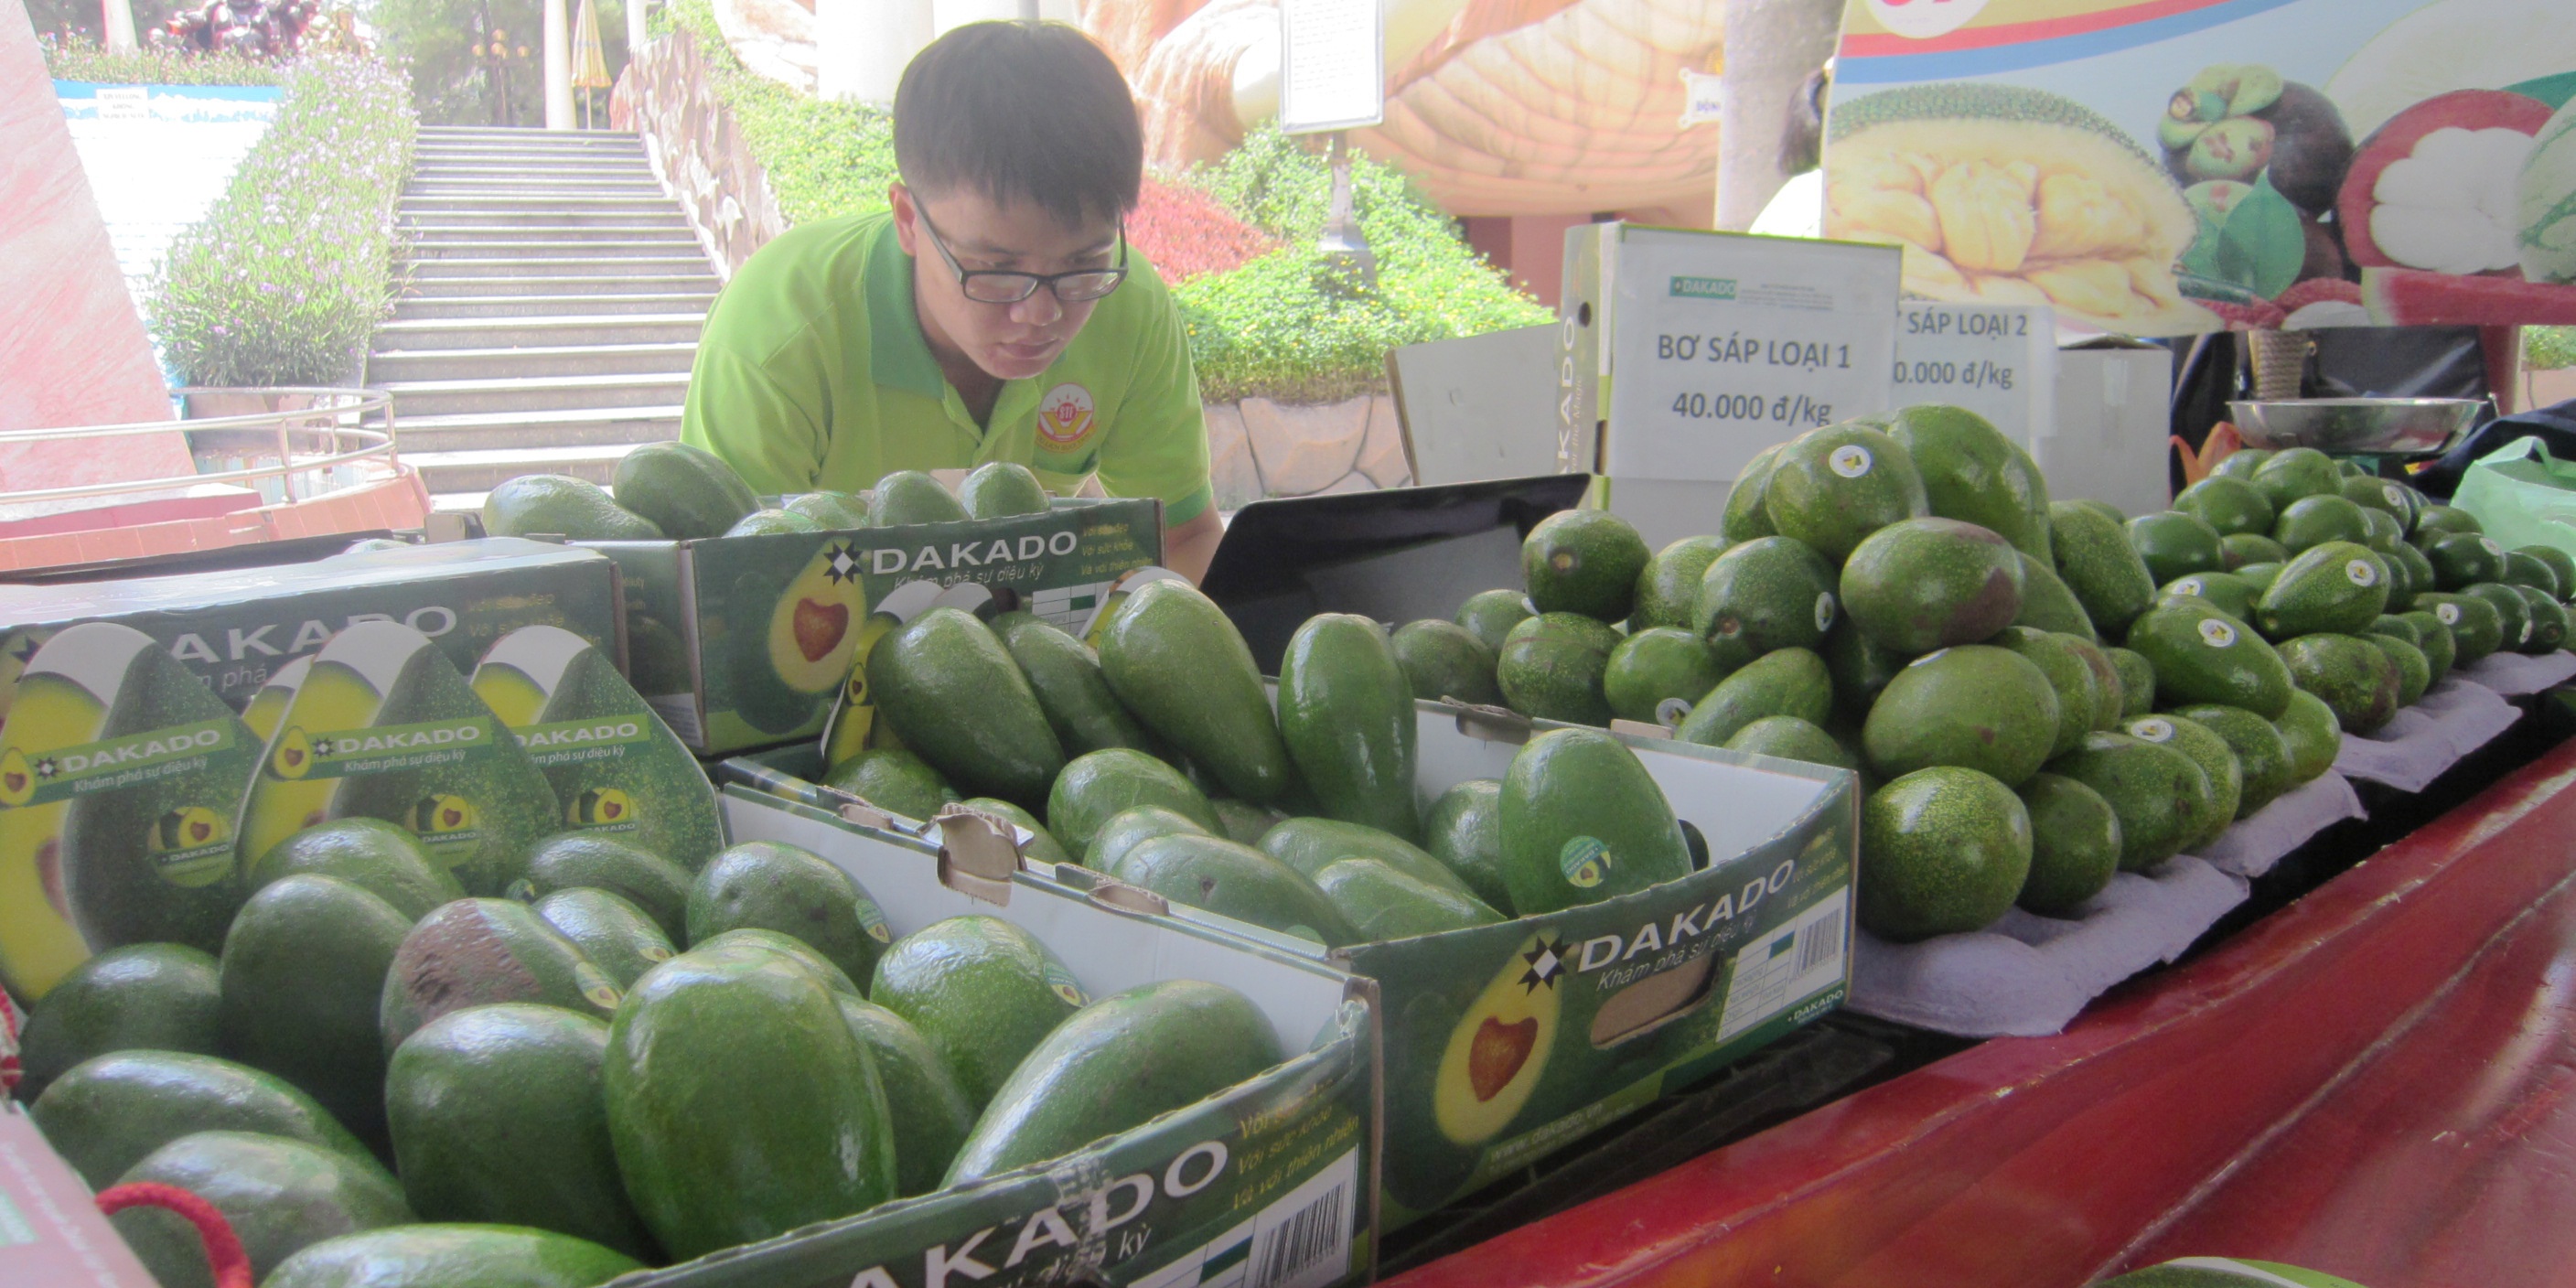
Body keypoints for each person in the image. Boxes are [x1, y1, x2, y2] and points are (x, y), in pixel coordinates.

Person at [681, 22, 1223, 581]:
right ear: (909, 221)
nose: (1040, 315)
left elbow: (1185, 538)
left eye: (1081, 265)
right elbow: (726, 593)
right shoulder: (777, 335)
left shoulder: (1128, 309)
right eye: (994, 270)